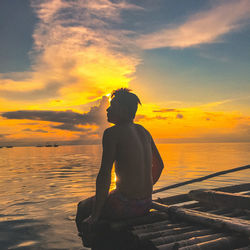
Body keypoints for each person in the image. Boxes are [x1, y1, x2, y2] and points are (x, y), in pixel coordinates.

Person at [75, 88, 164, 236]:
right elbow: (160, 166)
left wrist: (95, 215)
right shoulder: (145, 131)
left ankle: (87, 240)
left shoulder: (112, 133)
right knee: (111, 196)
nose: (108, 109)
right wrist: (142, 190)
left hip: (124, 206)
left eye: (112, 106)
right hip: (146, 203)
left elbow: (104, 175)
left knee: (82, 207)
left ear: (123, 110)